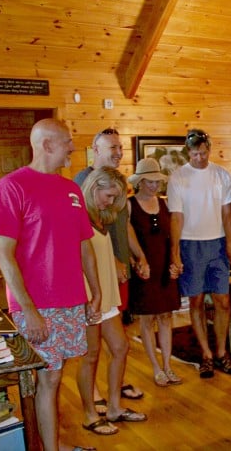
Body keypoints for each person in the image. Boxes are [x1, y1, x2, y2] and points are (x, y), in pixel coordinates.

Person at [0, 118, 101, 451]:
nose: (72, 147)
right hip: (36, 305)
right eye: (67, 141)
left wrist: (96, 292)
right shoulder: (12, 186)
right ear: (48, 144)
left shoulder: (71, 189)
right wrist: (30, 310)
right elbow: (3, 254)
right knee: (47, 380)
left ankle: (51, 442)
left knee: (54, 378)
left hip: (71, 301)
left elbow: (85, 245)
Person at [74, 127, 148, 410]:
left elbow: (122, 226)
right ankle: (92, 401)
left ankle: (115, 396)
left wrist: (135, 256)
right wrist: (114, 261)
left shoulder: (112, 195)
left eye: (120, 148)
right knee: (92, 351)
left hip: (112, 281)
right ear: (96, 150)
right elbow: (84, 245)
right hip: (95, 285)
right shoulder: (83, 187)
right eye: (112, 148)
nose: (118, 152)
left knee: (119, 343)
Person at [168, 129, 231, 379]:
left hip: (217, 243)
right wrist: (175, 253)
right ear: (188, 152)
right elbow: (176, 217)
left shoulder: (221, 175)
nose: (200, 157)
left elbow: (228, 214)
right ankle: (206, 355)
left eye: (204, 152)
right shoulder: (178, 177)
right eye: (195, 153)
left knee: (222, 301)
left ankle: (221, 352)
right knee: (197, 301)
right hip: (190, 245)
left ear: (209, 149)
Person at [127, 158, 183, 387]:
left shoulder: (166, 204)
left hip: (163, 266)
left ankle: (168, 365)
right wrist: (135, 261)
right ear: (140, 181)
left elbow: (173, 238)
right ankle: (156, 367)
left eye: (156, 181)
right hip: (144, 267)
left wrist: (175, 260)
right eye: (149, 181)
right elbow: (123, 238)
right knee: (147, 319)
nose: (153, 186)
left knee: (166, 316)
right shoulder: (129, 205)